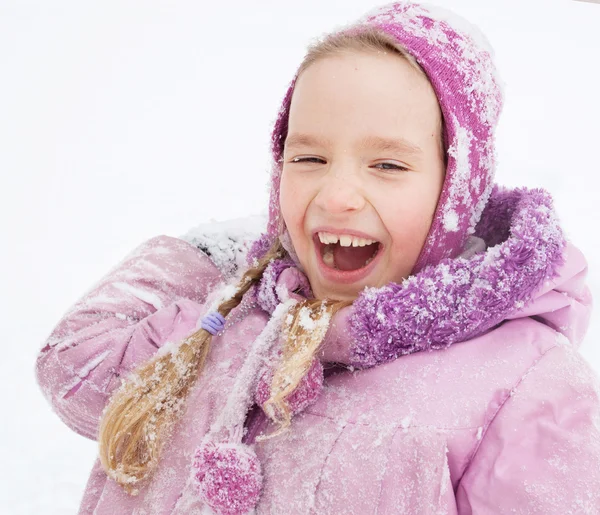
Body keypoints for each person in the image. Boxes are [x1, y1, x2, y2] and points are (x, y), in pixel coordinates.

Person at [35, 2, 600, 514]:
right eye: (309, 157)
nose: (335, 196)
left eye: (388, 165)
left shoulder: (524, 384)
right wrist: (211, 255)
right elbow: (74, 367)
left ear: (455, 188)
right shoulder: (232, 319)